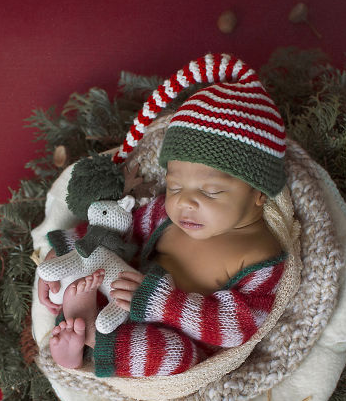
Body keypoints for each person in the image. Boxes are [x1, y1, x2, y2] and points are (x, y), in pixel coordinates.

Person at [38, 54, 291, 378]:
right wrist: (65, 252)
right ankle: (77, 314)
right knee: (98, 258)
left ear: (259, 193)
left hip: (172, 330)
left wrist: (165, 303)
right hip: (112, 294)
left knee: (178, 357)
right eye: (174, 187)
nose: (185, 202)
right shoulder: (165, 215)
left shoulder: (262, 257)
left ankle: (88, 340)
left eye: (210, 192)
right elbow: (113, 229)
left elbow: (235, 327)